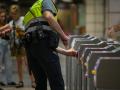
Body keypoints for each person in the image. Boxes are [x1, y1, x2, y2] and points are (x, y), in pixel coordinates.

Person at [23, 0, 77, 90]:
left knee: (40, 84)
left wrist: (65, 52)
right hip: (41, 47)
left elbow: (43, 43)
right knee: (57, 82)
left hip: (31, 50)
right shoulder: (47, 1)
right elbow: (48, 16)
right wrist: (63, 36)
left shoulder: (33, 9)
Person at [9, 4, 35, 88]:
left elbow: (29, 28)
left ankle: (33, 81)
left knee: (28, 63)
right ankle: (20, 81)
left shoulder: (23, 19)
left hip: (25, 44)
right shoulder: (11, 22)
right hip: (17, 46)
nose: (13, 15)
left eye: (15, 13)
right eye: (12, 13)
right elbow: (7, 28)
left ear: (18, 13)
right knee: (19, 63)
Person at [0, 3, 16, 87]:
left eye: (4, 16)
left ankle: (9, 80)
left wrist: (5, 29)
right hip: (0, 43)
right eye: (1, 16)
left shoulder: (7, 21)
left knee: (8, 63)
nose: (3, 17)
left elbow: (10, 28)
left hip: (6, 43)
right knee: (0, 63)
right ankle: (1, 80)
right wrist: (5, 28)